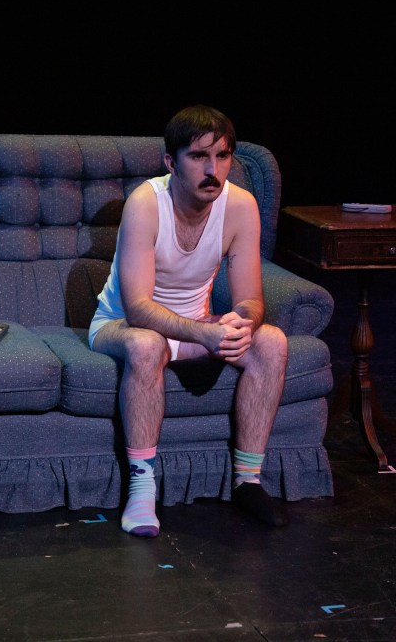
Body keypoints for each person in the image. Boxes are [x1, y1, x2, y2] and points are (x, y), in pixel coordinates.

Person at [88, 104, 290, 538]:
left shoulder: (241, 206)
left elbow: (251, 299)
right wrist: (205, 332)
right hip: (121, 326)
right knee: (146, 344)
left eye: (222, 156)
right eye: (199, 156)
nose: (212, 170)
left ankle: (248, 481)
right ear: (171, 162)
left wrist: (242, 324)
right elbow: (138, 308)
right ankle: (142, 488)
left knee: (271, 341)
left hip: (197, 327)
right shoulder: (146, 203)